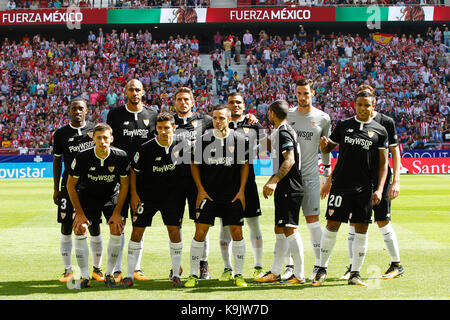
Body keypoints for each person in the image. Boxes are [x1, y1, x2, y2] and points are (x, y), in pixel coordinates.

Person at [324, 85, 404, 280]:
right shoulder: (351, 122)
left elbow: (394, 151)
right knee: (355, 223)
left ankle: (396, 264)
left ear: (373, 100)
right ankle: (353, 268)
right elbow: (344, 156)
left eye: (366, 100)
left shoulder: (385, 122)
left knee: (382, 220)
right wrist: (330, 177)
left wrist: (396, 181)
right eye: (359, 100)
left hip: (380, 179)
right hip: (356, 181)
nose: (362, 105)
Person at [313, 90, 389, 287]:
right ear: (354, 105)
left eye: (367, 105)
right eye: (360, 105)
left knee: (361, 228)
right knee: (332, 225)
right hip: (341, 186)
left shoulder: (380, 131)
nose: (363, 109)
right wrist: (324, 146)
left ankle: (355, 273)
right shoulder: (345, 125)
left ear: (374, 106)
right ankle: (321, 269)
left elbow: (383, 164)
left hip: (364, 188)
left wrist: (380, 189)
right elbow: (329, 147)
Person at [121, 112, 190, 288]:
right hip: (146, 197)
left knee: (174, 232)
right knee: (137, 232)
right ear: (156, 129)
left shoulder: (184, 146)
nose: (163, 131)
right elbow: (133, 171)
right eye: (160, 128)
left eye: (167, 127)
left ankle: (176, 275)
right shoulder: (146, 148)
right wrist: (134, 195)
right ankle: (129, 275)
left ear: (174, 128)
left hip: (172, 198)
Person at [184, 104, 249, 288]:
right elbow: (194, 165)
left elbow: (244, 165)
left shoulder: (239, 139)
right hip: (208, 196)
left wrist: (241, 191)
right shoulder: (203, 140)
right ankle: (193, 275)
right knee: (200, 233)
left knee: (237, 233)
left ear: (229, 119)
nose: (217, 121)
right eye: (214, 118)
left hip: (232, 196)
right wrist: (200, 190)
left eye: (221, 118)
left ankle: (238, 274)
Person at [106, 79, 157, 283]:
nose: (134, 92)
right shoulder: (115, 114)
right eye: (131, 89)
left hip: (144, 178)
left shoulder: (152, 114)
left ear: (143, 92)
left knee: (139, 223)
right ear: (125, 92)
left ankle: (135, 267)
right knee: (118, 223)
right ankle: (117, 269)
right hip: (119, 177)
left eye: (138, 89)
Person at [66, 123, 130, 289]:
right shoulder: (82, 156)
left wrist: (117, 212)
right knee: (80, 228)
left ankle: (109, 274)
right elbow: (70, 185)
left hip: (111, 196)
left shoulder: (120, 156)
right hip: (87, 197)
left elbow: (124, 184)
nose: (102, 141)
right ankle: (85, 276)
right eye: (99, 138)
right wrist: (79, 213)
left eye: (105, 138)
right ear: (93, 139)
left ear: (111, 139)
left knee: (117, 228)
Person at [281, 78, 332, 281]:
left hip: (311, 176)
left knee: (313, 222)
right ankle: (290, 267)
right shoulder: (288, 115)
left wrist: (327, 176)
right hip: (289, 178)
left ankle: (319, 266)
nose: (302, 97)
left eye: (306, 93)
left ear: (313, 94)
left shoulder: (323, 118)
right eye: (299, 93)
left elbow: (326, 149)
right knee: (288, 225)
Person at [255, 100, 306, 285]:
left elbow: (289, 159)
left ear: (271, 113)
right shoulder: (281, 130)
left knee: (290, 229)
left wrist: (274, 181)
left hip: (290, 186)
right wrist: (258, 129)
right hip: (286, 187)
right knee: (279, 228)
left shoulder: (283, 131)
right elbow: (272, 148)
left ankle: (299, 275)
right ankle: (275, 272)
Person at [52, 98, 101, 283]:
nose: (77, 111)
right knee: (66, 226)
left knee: (95, 226)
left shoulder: (95, 131)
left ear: (87, 111)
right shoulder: (61, 134)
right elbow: (57, 161)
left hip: (92, 186)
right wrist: (56, 188)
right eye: (74, 109)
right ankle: (67, 270)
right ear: (69, 111)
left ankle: (97, 269)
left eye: (81, 108)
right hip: (68, 186)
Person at [219, 92, 265, 282]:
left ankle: (258, 267)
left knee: (254, 224)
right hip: (225, 182)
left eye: (238, 102)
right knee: (225, 226)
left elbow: (263, 147)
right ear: (227, 105)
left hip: (248, 181)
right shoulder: (221, 123)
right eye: (231, 102)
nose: (235, 105)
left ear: (244, 105)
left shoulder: (254, 124)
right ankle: (227, 268)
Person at [172, 87, 213, 280]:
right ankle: (177, 265)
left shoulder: (205, 120)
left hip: (200, 183)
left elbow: (226, 126)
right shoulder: (168, 122)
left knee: (201, 223)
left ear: (193, 102)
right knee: (175, 224)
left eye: (186, 99)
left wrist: (249, 120)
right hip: (175, 182)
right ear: (175, 103)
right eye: (179, 99)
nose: (183, 102)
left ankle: (203, 264)